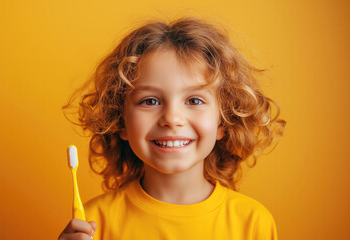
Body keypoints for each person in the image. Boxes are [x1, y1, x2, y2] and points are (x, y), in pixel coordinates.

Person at [59, 16, 286, 240]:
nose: (172, 118)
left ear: (224, 121)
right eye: (150, 101)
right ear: (119, 120)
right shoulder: (91, 224)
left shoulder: (253, 224)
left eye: (194, 101)